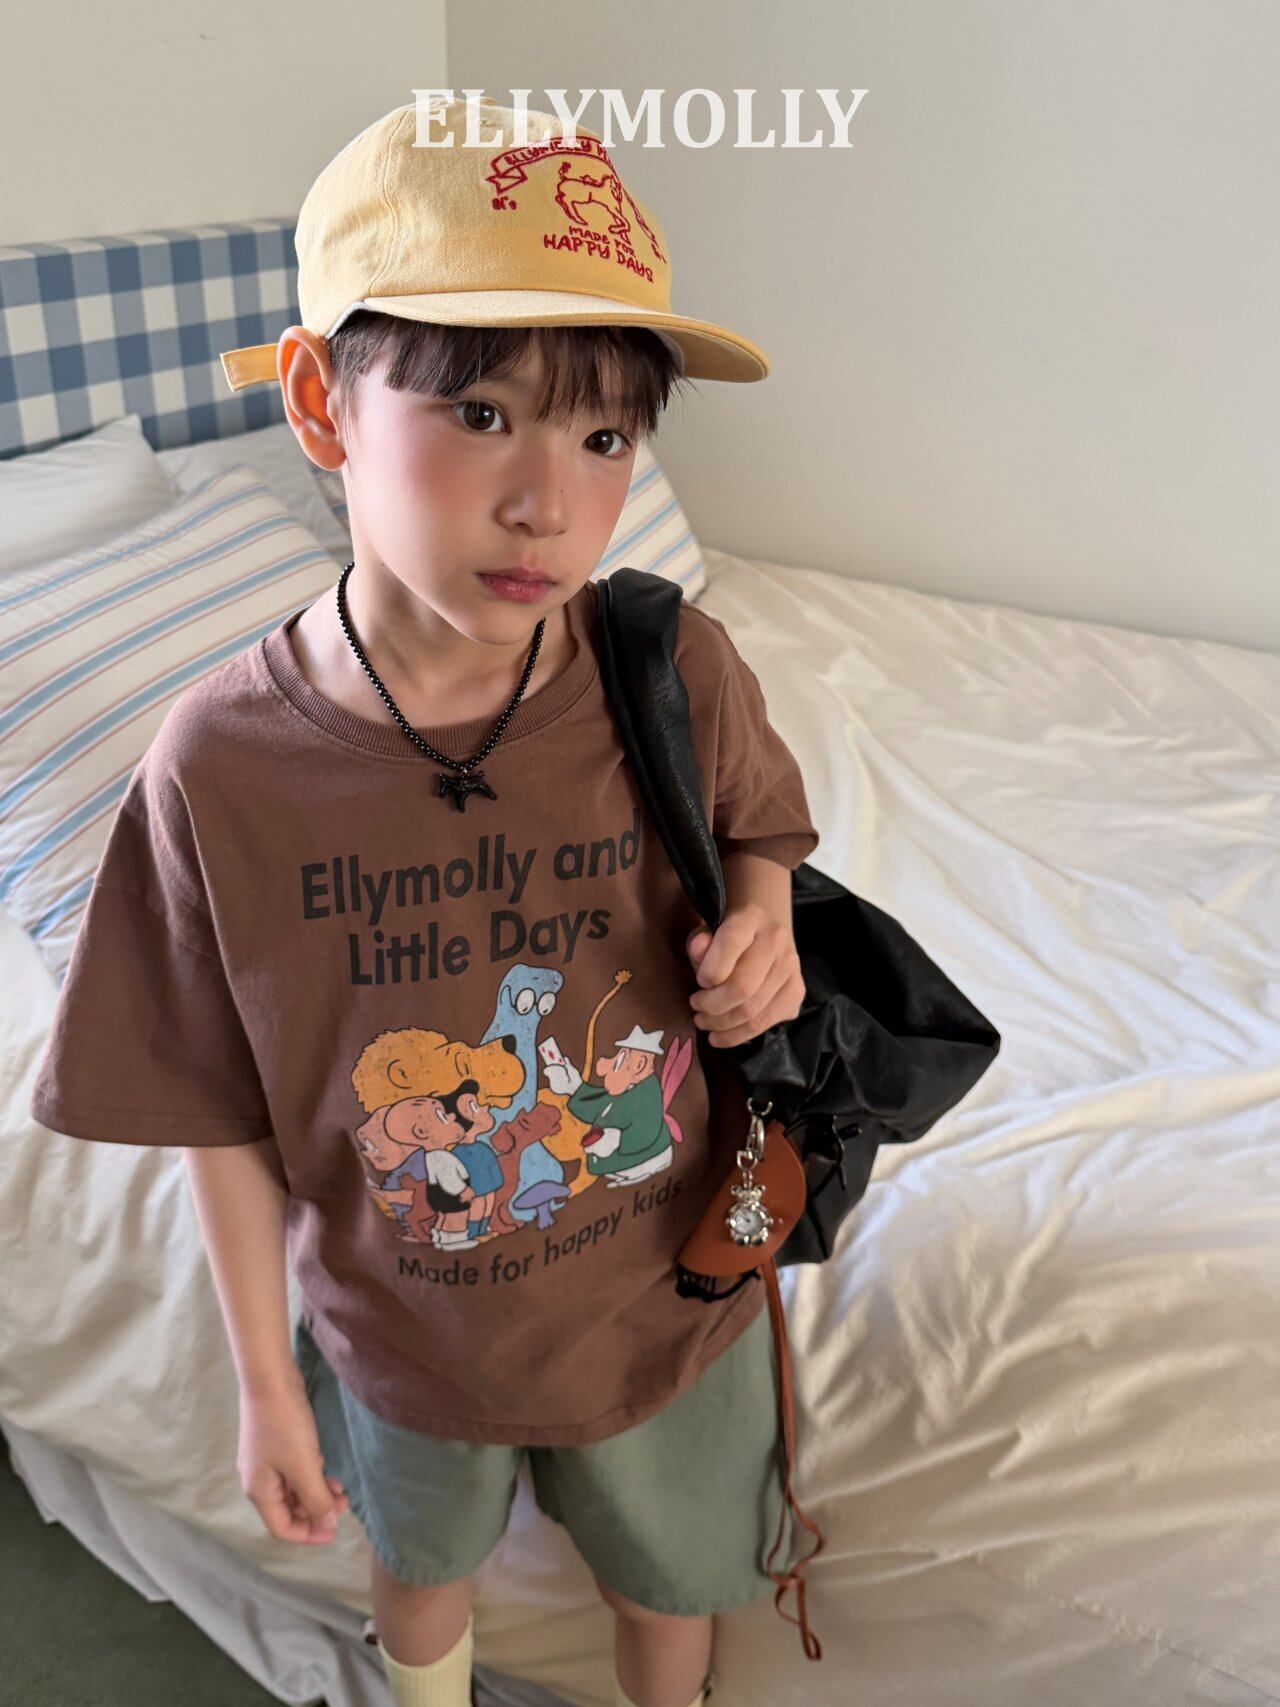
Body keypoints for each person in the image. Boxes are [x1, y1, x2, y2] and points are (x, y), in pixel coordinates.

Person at [29, 95, 821, 1707]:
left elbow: (762, 828)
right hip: (402, 1328)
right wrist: (266, 1388)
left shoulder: (667, 665)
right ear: (320, 403)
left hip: (666, 1292)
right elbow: (212, 1107)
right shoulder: (221, 767)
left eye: (605, 440)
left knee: (672, 1581)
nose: (549, 503)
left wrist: (768, 926)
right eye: (479, 410)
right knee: (421, 1571)